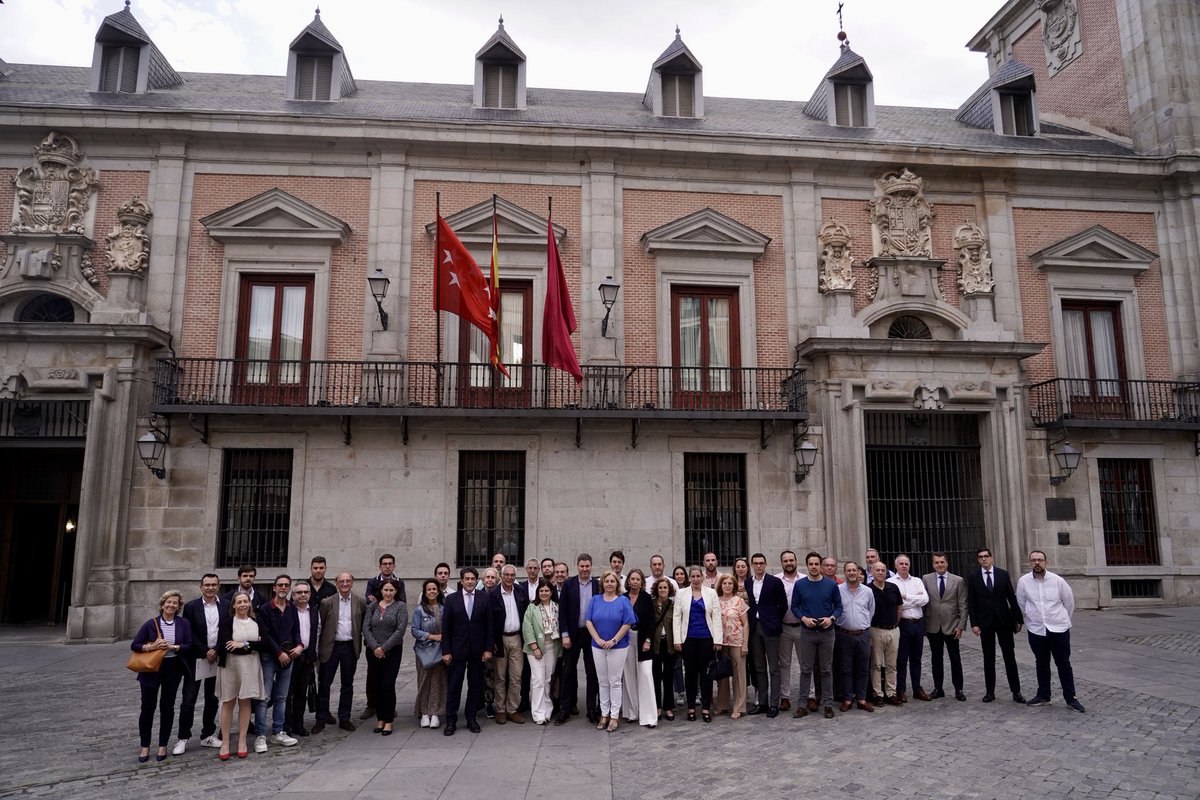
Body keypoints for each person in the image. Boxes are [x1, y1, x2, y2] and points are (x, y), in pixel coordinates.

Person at [1016, 551, 1084, 712]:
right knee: (1041, 663)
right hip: (1037, 629)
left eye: (1040, 560)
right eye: (1033, 560)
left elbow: (1069, 603)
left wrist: (1060, 620)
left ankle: (1071, 698)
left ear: (1046, 562)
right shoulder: (1024, 582)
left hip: (1058, 628)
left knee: (1063, 663)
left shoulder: (1058, 581)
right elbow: (1021, 603)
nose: (1037, 563)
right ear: (1030, 562)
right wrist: (1033, 618)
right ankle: (1043, 694)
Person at [132, 589, 193, 763]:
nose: (171, 605)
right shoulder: (151, 624)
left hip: (173, 668)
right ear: (162, 604)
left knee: (167, 707)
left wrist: (174, 647)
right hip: (151, 669)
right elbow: (135, 645)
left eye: (175, 603)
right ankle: (145, 745)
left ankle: (163, 744)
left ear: (179, 606)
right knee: (147, 707)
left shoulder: (183, 624)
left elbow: (188, 645)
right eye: (168, 602)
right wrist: (151, 647)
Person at [966, 547, 1026, 704]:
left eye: (986, 556)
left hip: (1003, 621)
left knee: (1009, 657)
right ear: (978, 560)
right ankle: (990, 692)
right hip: (985, 622)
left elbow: (1011, 598)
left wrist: (1018, 619)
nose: (984, 559)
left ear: (991, 558)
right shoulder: (973, 577)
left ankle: (1016, 691)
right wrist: (974, 623)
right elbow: (971, 602)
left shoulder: (1002, 574)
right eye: (980, 557)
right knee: (988, 657)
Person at [441, 567, 493, 735]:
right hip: (457, 650)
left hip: (478, 650)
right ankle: (451, 720)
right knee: (454, 685)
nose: (470, 582)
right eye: (467, 579)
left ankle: (471, 717)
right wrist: (446, 650)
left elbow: (489, 625)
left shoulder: (484, 598)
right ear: (461, 581)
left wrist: (488, 649)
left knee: (475, 685)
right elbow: (446, 627)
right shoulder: (451, 599)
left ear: (476, 581)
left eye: (472, 579)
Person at [175, 574, 222, 755]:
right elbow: (190, 632)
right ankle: (183, 737)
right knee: (189, 700)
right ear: (201, 586)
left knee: (212, 699)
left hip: (216, 658)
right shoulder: (191, 607)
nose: (210, 588)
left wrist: (216, 650)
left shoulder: (224, 605)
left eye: (214, 585)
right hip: (196, 659)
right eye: (207, 585)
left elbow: (226, 629)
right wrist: (205, 651)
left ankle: (208, 734)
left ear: (218, 586)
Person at [252, 574, 301, 752]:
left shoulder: (292, 609)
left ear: (289, 589)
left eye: (286, 585)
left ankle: (278, 732)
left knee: (282, 697)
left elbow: (296, 630)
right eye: (280, 585)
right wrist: (278, 652)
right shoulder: (265, 609)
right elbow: (265, 635)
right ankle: (260, 735)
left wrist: (300, 646)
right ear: (274, 588)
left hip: (289, 657)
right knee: (264, 698)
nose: (283, 588)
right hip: (269, 657)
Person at [791, 552, 842, 719]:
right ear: (807, 566)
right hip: (807, 632)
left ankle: (828, 704)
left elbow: (839, 607)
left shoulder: (830, 585)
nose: (813, 567)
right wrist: (804, 618)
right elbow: (794, 606)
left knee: (826, 670)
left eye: (816, 564)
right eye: (810, 564)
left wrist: (831, 618)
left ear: (820, 566)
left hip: (827, 632)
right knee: (805, 670)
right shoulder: (800, 585)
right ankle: (802, 704)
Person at [585, 570, 637, 731]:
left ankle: (614, 716)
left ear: (617, 584)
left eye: (612, 581)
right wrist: (598, 639)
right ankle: (604, 714)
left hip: (618, 647)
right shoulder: (595, 600)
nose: (609, 584)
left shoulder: (623, 601)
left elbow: (628, 623)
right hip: (598, 646)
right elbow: (588, 621)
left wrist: (614, 640)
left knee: (614, 681)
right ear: (603, 584)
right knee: (602, 681)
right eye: (606, 581)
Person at [314, 572, 366, 733]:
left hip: (350, 647)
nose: (345, 584)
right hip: (331, 647)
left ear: (352, 583)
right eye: (341, 581)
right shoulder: (327, 602)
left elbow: (363, 623)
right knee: (324, 684)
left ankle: (345, 718)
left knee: (347, 684)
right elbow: (320, 627)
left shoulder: (360, 601)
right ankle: (321, 719)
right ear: (336, 584)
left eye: (348, 581)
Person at [216, 590, 265, 760]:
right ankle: (226, 742)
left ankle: (242, 741)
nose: (243, 604)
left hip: (250, 666)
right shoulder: (227, 622)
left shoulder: (256, 621)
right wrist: (250, 645)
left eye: (245, 601)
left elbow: (263, 643)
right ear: (234, 605)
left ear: (249, 603)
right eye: (239, 602)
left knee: (245, 702)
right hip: (230, 665)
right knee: (228, 702)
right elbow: (225, 645)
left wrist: (243, 644)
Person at [672, 564, 723, 722]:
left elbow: (716, 616)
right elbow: (677, 617)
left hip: (707, 639)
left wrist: (718, 640)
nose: (695, 579)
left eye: (698, 576)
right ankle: (692, 708)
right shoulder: (682, 593)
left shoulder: (711, 593)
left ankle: (706, 708)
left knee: (706, 674)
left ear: (702, 577)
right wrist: (677, 640)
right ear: (689, 578)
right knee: (690, 674)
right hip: (688, 639)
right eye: (692, 576)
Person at [555, 553, 600, 725]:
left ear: (591, 566)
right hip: (572, 635)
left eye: (587, 566)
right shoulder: (569, 584)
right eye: (582, 566)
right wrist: (565, 634)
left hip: (591, 634)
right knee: (568, 673)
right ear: (577, 566)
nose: (584, 569)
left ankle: (591, 710)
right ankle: (564, 709)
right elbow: (563, 611)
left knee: (592, 673)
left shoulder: (597, 585)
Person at [363, 554, 407, 721]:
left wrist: (384, 647)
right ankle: (372, 706)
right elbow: (366, 624)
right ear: (380, 566)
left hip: (392, 647)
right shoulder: (372, 583)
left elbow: (400, 626)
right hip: (374, 647)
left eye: (390, 564)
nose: (387, 566)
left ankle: (388, 713)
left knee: (388, 683)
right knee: (374, 679)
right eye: (384, 564)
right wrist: (375, 647)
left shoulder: (399, 586)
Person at [745, 552, 787, 717]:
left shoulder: (774, 582)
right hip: (755, 628)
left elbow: (783, 605)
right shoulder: (749, 582)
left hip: (770, 627)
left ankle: (774, 704)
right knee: (759, 666)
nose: (759, 565)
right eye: (755, 563)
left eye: (761, 563)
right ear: (752, 565)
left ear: (765, 564)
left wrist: (774, 619)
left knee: (774, 667)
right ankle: (763, 702)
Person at [922, 552, 968, 701]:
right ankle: (938, 688)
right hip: (933, 625)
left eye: (942, 562)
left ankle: (958, 689)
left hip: (952, 626)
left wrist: (961, 626)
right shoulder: (926, 579)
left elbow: (963, 604)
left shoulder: (958, 580)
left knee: (955, 659)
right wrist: (923, 626)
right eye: (937, 562)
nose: (940, 565)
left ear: (947, 563)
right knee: (936, 659)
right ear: (933, 564)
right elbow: (923, 602)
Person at [488, 563, 528, 724]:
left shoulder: (520, 592)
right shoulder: (493, 594)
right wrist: (491, 642)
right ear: (501, 576)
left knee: (516, 676)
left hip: (517, 638)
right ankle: (500, 710)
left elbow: (525, 613)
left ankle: (512, 709)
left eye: (512, 575)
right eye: (507, 575)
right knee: (500, 676)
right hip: (500, 639)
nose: (510, 578)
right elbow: (489, 620)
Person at [888, 554, 930, 703]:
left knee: (916, 658)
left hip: (918, 624)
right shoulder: (890, 582)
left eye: (906, 563)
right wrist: (914, 598)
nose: (904, 566)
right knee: (901, 659)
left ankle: (917, 688)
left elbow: (925, 600)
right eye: (901, 564)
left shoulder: (917, 581)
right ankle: (900, 690)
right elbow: (894, 604)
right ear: (896, 566)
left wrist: (905, 597)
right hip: (902, 624)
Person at [836, 561, 875, 712]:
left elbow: (871, 610)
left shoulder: (867, 591)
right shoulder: (838, 590)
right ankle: (847, 699)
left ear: (859, 573)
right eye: (849, 570)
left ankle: (862, 699)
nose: (852, 573)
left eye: (854, 570)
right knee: (846, 668)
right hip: (844, 634)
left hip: (863, 634)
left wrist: (863, 625)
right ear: (844, 573)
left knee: (863, 668)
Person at [522, 579, 562, 725]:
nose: (544, 593)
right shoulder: (532, 608)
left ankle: (547, 710)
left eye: (546, 591)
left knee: (548, 680)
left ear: (551, 592)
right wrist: (535, 648)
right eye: (541, 591)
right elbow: (527, 628)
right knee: (538, 679)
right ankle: (538, 713)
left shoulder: (556, 607)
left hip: (552, 647)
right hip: (536, 648)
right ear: (538, 593)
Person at [621, 569, 658, 727]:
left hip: (643, 639)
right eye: (632, 579)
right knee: (628, 675)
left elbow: (651, 621)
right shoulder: (622, 598)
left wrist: (648, 640)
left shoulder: (646, 598)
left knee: (645, 674)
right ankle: (631, 712)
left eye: (638, 579)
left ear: (642, 582)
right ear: (628, 581)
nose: (635, 581)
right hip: (626, 639)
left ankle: (649, 716)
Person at [284, 580, 320, 737]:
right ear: (293, 594)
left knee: (301, 693)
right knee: (287, 693)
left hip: (306, 657)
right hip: (291, 656)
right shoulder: (287, 610)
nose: (303, 595)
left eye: (306, 592)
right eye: (299, 592)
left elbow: (316, 633)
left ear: (310, 594)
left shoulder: (314, 611)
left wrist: (313, 654)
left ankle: (298, 724)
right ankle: (286, 725)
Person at [411, 578, 447, 729]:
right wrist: (432, 636)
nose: (432, 592)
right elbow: (414, 630)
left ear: (438, 591)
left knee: (439, 681)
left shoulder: (444, 608)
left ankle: (436, 713)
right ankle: (424, 712)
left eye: (434, 589)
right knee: (424, 681)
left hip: (441, 650)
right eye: (429, 590)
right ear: (425, 593)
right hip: (424, 650)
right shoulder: (419, 610)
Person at [713, 573, 749, 719]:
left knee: (739, 675)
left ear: (734, 586)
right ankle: (722, 705)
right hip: (721, 642)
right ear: (720, 586)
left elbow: (746, 623)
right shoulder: (716, 601)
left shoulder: (739, 601)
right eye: (724, 583)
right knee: (721, 674)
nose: (727, 586)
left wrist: (745, 643)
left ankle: (739, 706)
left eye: (730, 583)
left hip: (737, 641)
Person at [867, 561, 903, 705]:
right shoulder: (868, 590)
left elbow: (899, 608)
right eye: (878, 570)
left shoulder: (893, 588)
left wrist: (896, 623)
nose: (880, 573)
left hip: (893, 629)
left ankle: (891, 692)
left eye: (883, 570)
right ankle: (878, 693)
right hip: (875, 630)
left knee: (891, 664)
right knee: (876, 664)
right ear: (872, 572)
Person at [776, 549, 803, 712]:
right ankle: (785, 697)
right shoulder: (776, 580)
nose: (789, 563)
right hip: (784, 627)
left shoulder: (805, 579)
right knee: (784, 664)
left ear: (795, 561)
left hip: (802, 627)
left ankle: (810, 695)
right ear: (781, 563)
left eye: (791, 560)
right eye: (785, 561)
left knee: (805, 663)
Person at [648, 577, 676, 721]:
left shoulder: (673, 605)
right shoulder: (651, 605)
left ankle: (669, 707)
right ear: (656, 590)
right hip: (655, 645)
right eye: (660, 588)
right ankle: (657, 706)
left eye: (665, 588)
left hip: (670, 645)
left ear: (669, 589)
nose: (663, 590)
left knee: (669, 676)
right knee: (656, 676)